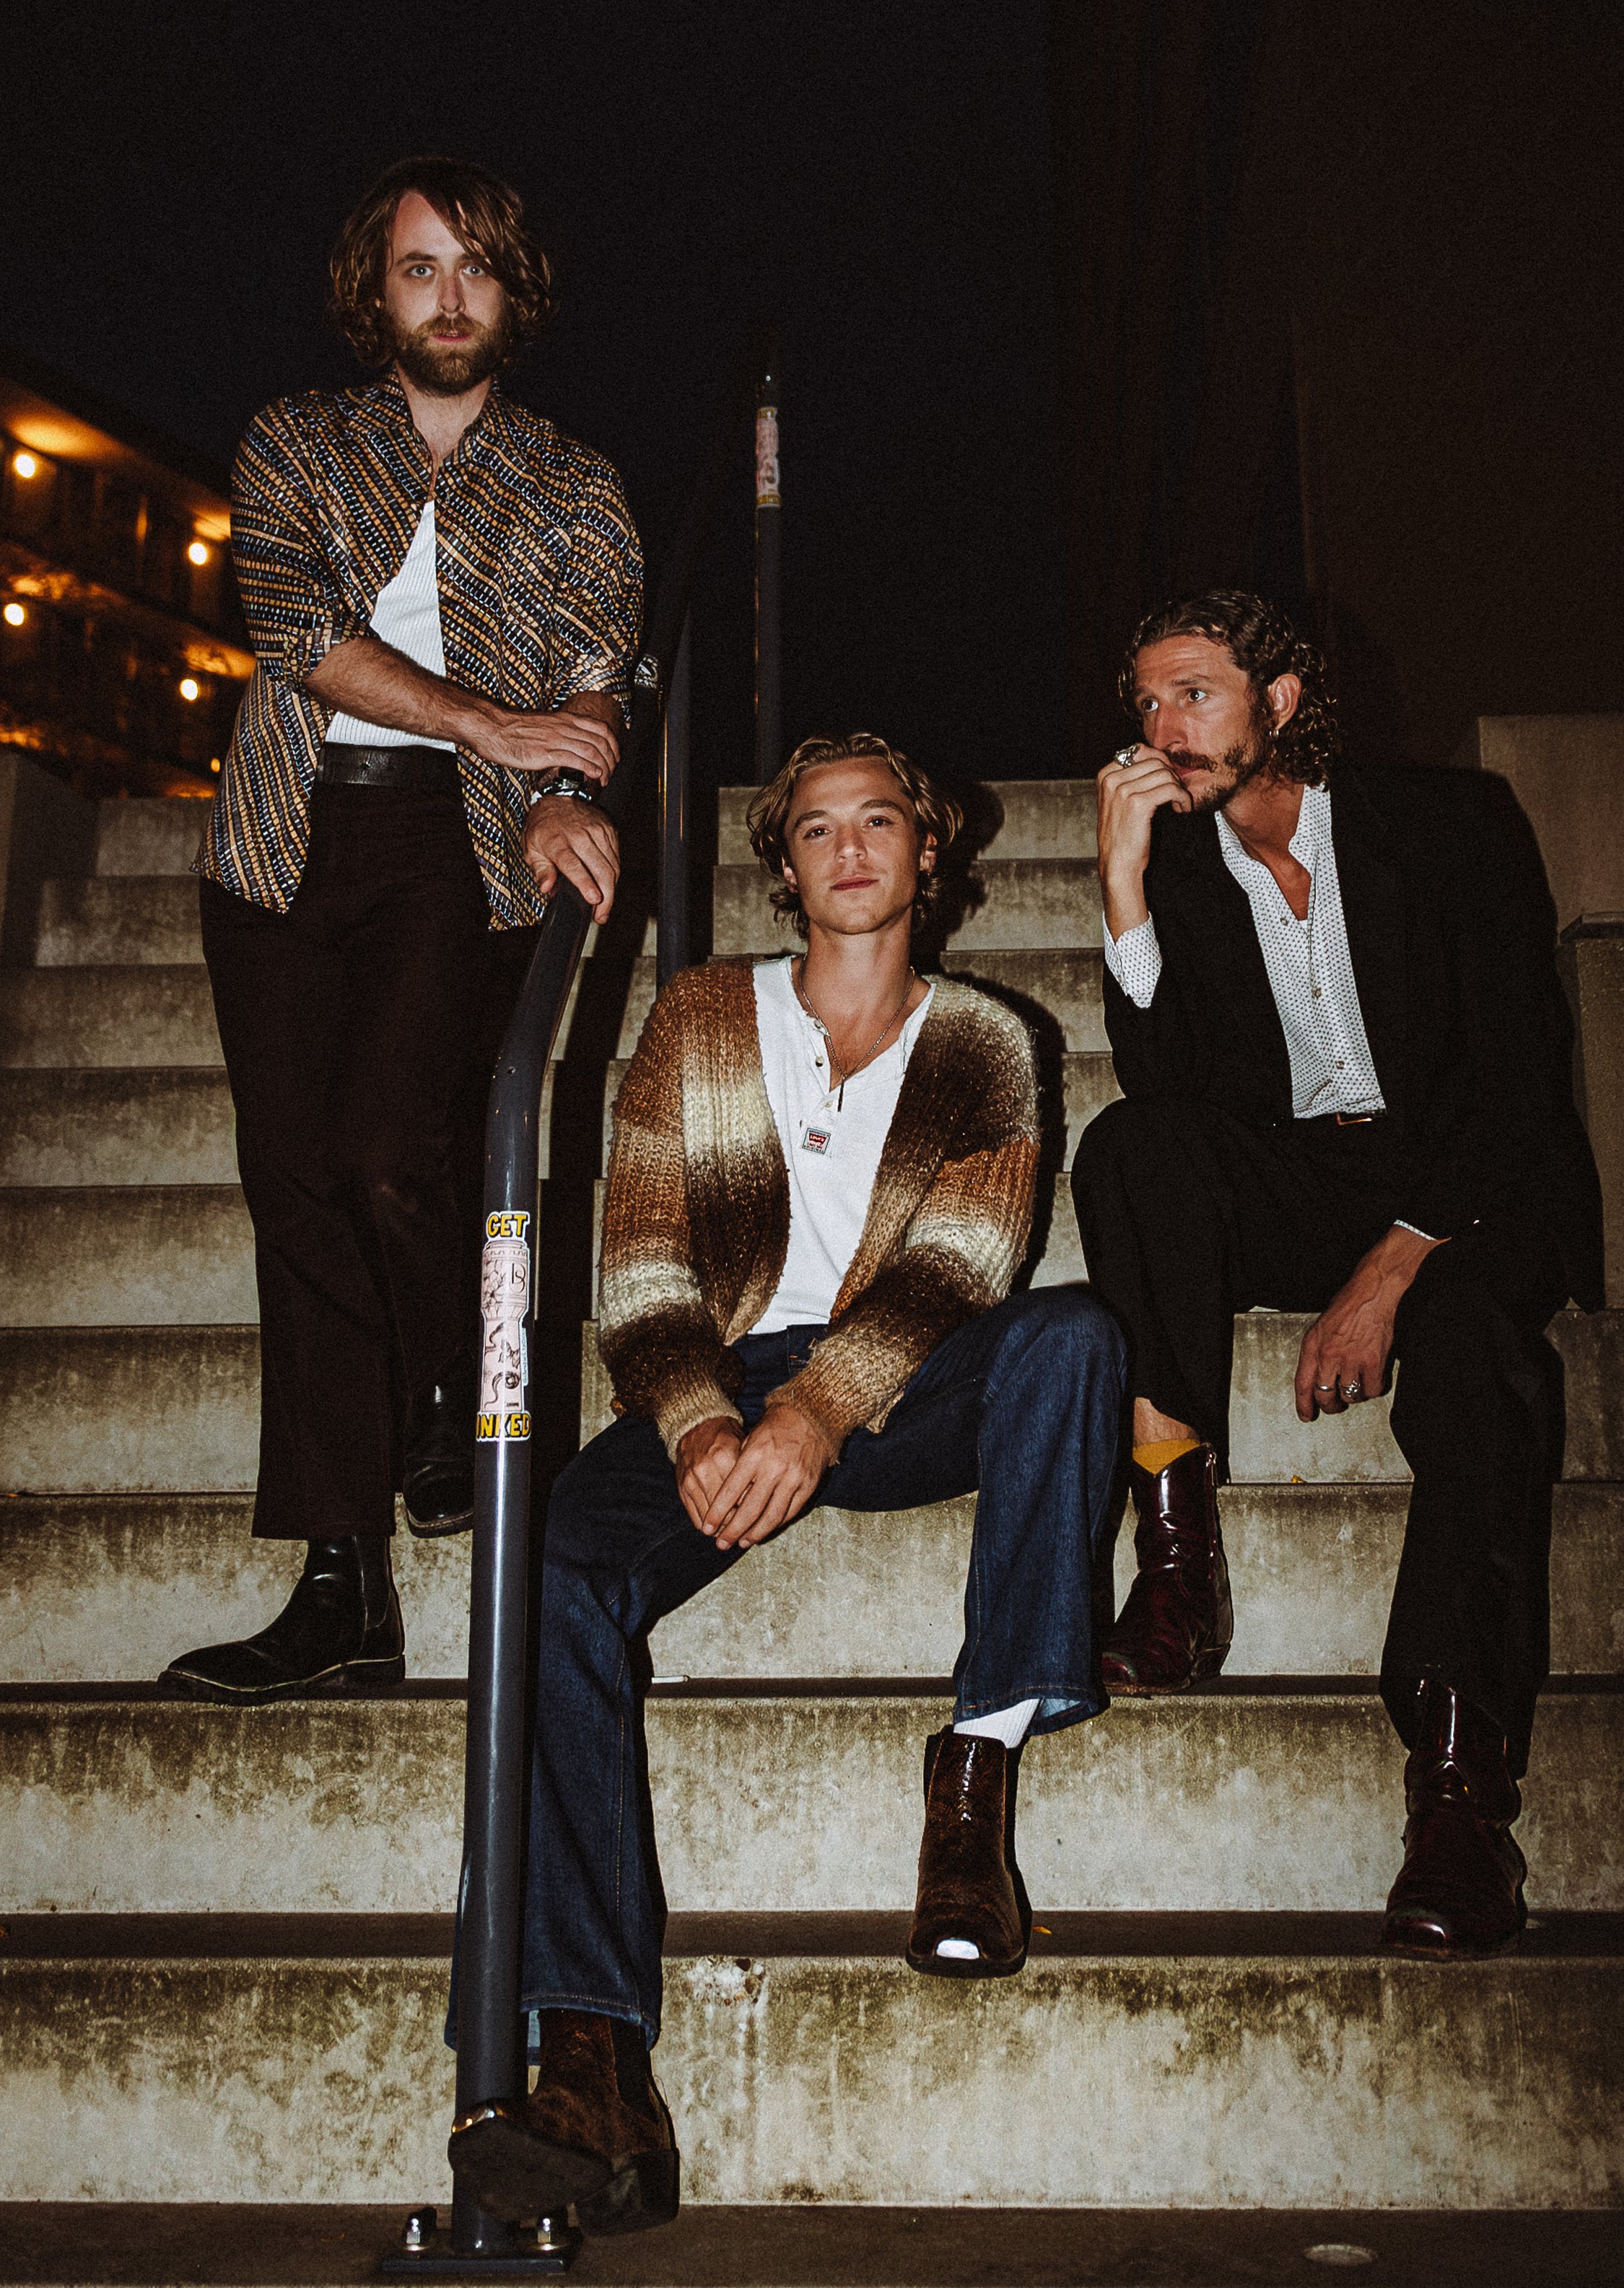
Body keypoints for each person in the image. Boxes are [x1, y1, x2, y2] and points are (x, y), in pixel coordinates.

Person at [448, 734, 1125, 2237]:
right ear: (786, 864)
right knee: (545, 1569)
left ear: (927, 850)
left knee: (1073, 1336)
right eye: (817, 828)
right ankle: (591, 2061)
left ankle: (975, 1778)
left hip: (904, 1386)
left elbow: (965, 1265)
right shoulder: (698, 1017)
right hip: (722, 1378)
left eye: (878, 820)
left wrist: (819, 1411)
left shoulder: (989, 1040)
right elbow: (637, 1258)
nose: (850, 848)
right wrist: (700, 1424)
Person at [163, 156, 642, 1703]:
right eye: (419, 267)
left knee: (386, 1149)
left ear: (515, 289)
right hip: (287, 835)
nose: (448, 296)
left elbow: (596, 672)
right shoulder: (295, 440)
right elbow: (297, 631)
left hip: (455, 844)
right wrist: (499, 726)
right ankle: (340, 1583)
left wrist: (557, 782)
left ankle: (446, 1380)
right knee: (293, 1183)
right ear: (375, 291)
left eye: (474, 267)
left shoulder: (574, 483)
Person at [1070, 591, 1602, 1959]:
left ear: (1284, 700)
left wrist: (1393, 1266)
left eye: (1194, 693)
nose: (1164, 727)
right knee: (1130, 1149)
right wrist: (1124, 886)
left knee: (1478, 1357)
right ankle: (1177, 1567)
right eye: (1147, 703)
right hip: (1310, 1178)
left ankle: (1459, 1798)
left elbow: (1517, 1078)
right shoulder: (1185, 870)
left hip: (1470, 1187)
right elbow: (1174, 1101)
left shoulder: (1452, 824)